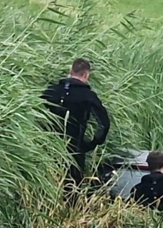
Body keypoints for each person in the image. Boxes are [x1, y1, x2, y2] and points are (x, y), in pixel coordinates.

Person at [40, 58, 111, 196]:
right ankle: (68, 213)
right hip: (75, 149)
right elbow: (104, 124)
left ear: (70, 71)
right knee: (72, 188)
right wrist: (92, 144)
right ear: (86, 75)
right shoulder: (88, 96)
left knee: (49, 183)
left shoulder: (51, 91)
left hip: (49, 147)